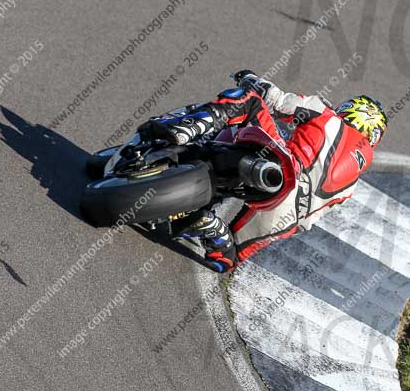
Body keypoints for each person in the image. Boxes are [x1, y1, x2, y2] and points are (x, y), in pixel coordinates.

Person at [140, 70, 387, 272]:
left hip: (282, 165)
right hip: (286, 215)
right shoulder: (351, 187)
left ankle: (188, 128)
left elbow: (277, 101)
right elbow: (309, 221)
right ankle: (207, 226)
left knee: (249, 101)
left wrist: (251, 79)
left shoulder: (325, 113)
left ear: (354, 111)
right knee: (228, 259)